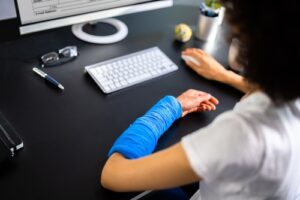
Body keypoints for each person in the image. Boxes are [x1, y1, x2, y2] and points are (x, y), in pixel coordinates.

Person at [101, 0, 300, 199]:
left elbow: (114, 175)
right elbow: (274, 89)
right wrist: (223, 74)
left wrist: (171, 107)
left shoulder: (244, 135)